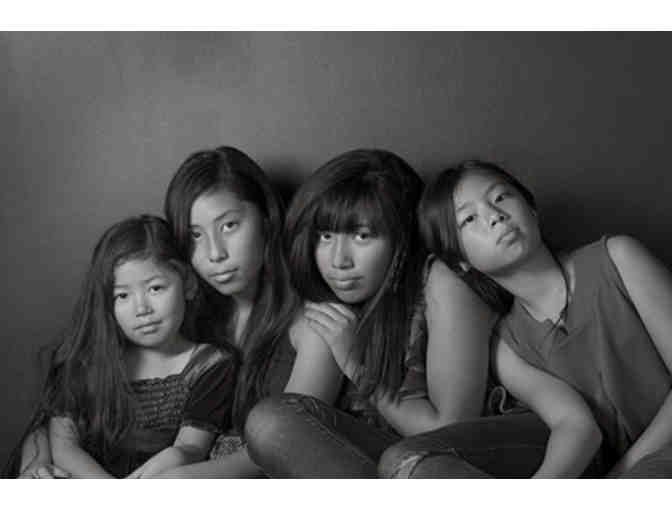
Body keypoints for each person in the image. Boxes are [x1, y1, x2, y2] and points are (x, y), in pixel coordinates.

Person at [12, 146, 343, 478]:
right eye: (195, 235)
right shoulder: (176, 312)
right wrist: (36, 464)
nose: (215, 253)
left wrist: (182, 480)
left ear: (266, 219)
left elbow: (285, 444)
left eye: (229, 226)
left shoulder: (314, 327)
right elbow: (63, 414)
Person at [384, 159, 672, 478]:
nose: (495, 216)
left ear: (531, 208)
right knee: (408, 464)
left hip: (651, 464)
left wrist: (622, 476)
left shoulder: (618, 258)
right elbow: (576, 426)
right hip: (621, 475)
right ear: (460, 261)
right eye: (469, 218)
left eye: (501, 197)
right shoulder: (507, 345)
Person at [244, 149, 497, 477]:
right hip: (380, 469)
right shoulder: (330, 305)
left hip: (443, 466)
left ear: (401, 237)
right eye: (326, 236)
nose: (339, 260)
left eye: (362, 236)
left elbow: (450, 434)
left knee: (273, 423)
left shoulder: (442, 283)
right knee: (274, 420)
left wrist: (356, 366)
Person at [7, 215, 236, 478]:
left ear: (188, 285)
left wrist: (170, 461)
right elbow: (65, 447)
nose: (142, 309)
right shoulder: (85, 361)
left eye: (155, 288)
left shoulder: (210, 365)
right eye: (123, 295)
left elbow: (190, 448)